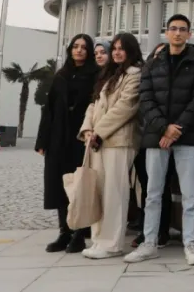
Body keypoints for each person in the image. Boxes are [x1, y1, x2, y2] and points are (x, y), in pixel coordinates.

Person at [124, 14, 194, 266]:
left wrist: (177, 129)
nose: (177, 33)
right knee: (152, 193)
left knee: (190, 195)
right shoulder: (153, 63)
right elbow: (146, 98)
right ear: (166, 32)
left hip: (187, 137)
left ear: (189, 34)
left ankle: (190, 243)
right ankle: (149, 243)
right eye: (173, 29)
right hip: (157, 137)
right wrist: (164, 128)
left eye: (182, 29)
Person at [79, 33, 143, 259]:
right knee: (98, 191)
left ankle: (112, 243)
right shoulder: (108, 75)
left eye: (121, 48)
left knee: (114, 193)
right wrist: (87, 129)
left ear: (131, 51)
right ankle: (98, 239)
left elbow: (125, 108)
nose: (116, 52)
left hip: (119, 141)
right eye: (114, 48)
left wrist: (98, 131)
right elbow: (93, 104)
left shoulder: (134, 75)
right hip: (97, 141)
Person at [36, 33, 99, 253]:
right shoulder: (61, 75)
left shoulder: (96, 75)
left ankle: (80, 233)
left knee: (79, 185)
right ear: (70, 49)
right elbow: (49, 109)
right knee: (59, 184)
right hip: (57, 138)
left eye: (83, 47)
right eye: (75, 46)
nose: (79, 50)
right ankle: (64, 231)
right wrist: (42, 140)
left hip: (81, 138)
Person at [131, 41, 174, 249]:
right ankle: (146, 229)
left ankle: (162, 230)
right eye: (157, 54)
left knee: (162, 188)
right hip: (146, 139)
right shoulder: (146, 78)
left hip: (168, 138)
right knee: (148, 188)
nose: (160, 57)